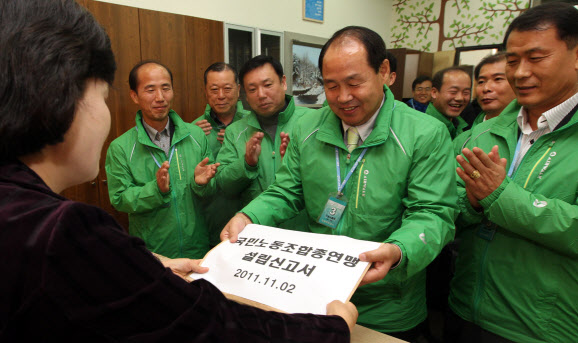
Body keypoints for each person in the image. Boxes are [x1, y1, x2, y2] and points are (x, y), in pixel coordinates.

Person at [0, 0, 358, 341]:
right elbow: (213, 327)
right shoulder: (66, 231)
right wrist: (332, 328)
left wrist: (149, 266)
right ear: (59, 100)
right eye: (101, 96)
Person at [221, 26, 458, 342]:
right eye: (331, 86)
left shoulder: (424, 134)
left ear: (384, 71)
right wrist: (247, 217)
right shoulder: (308, 125)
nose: (343, 97)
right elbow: (286, 190)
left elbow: (433, 214)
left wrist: (399, 250)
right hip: (318, 295)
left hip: (388, 305)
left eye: (354, 82)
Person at [448, 3, 578, 342]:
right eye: (511, 60)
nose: (520, 73)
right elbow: (451, 209)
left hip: (541, 327)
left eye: (536, 59)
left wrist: (499, 196)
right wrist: (474, 205)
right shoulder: (482, 133)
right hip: (465, 309)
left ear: (577, 55)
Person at [105, 60, 218, 259]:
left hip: (197, 248)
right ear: (134, 96)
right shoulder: (121, 147)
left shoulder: (196, 136)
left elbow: (211, 191)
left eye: (166, 88)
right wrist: (155, 190)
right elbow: (119, 199)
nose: (160, 97)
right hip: (154, 254)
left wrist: (201, 184)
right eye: (150, 90)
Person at [214, 55, 310, 231]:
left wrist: (299, 162)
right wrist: (247, 164)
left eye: (268, 85)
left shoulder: (311, 123)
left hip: (304, 233)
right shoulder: (235, 132)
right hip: (257, 233)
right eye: (252, 89)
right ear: (245, 94)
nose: (261, 95)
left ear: (283, 82)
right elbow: (224, 186)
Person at [193, 62, 249, 246]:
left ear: (238, 89)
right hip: (209, 223)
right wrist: (189, 138)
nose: (221, 96)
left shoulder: (254, 122)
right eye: (214, 89)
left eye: (227, 88)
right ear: (205, 91)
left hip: (250, 219)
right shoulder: (194, 129)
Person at [454, 53, 516, 153]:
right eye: (481, 81)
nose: (486, 88)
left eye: (498, 79)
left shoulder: (527, 133)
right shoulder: (463, 140)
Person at [426, 67, 472, 138]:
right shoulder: (424, 127)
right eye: (453, 92)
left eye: (466, 93)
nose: (460, 98)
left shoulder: (460, 124)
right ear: (434, 92)